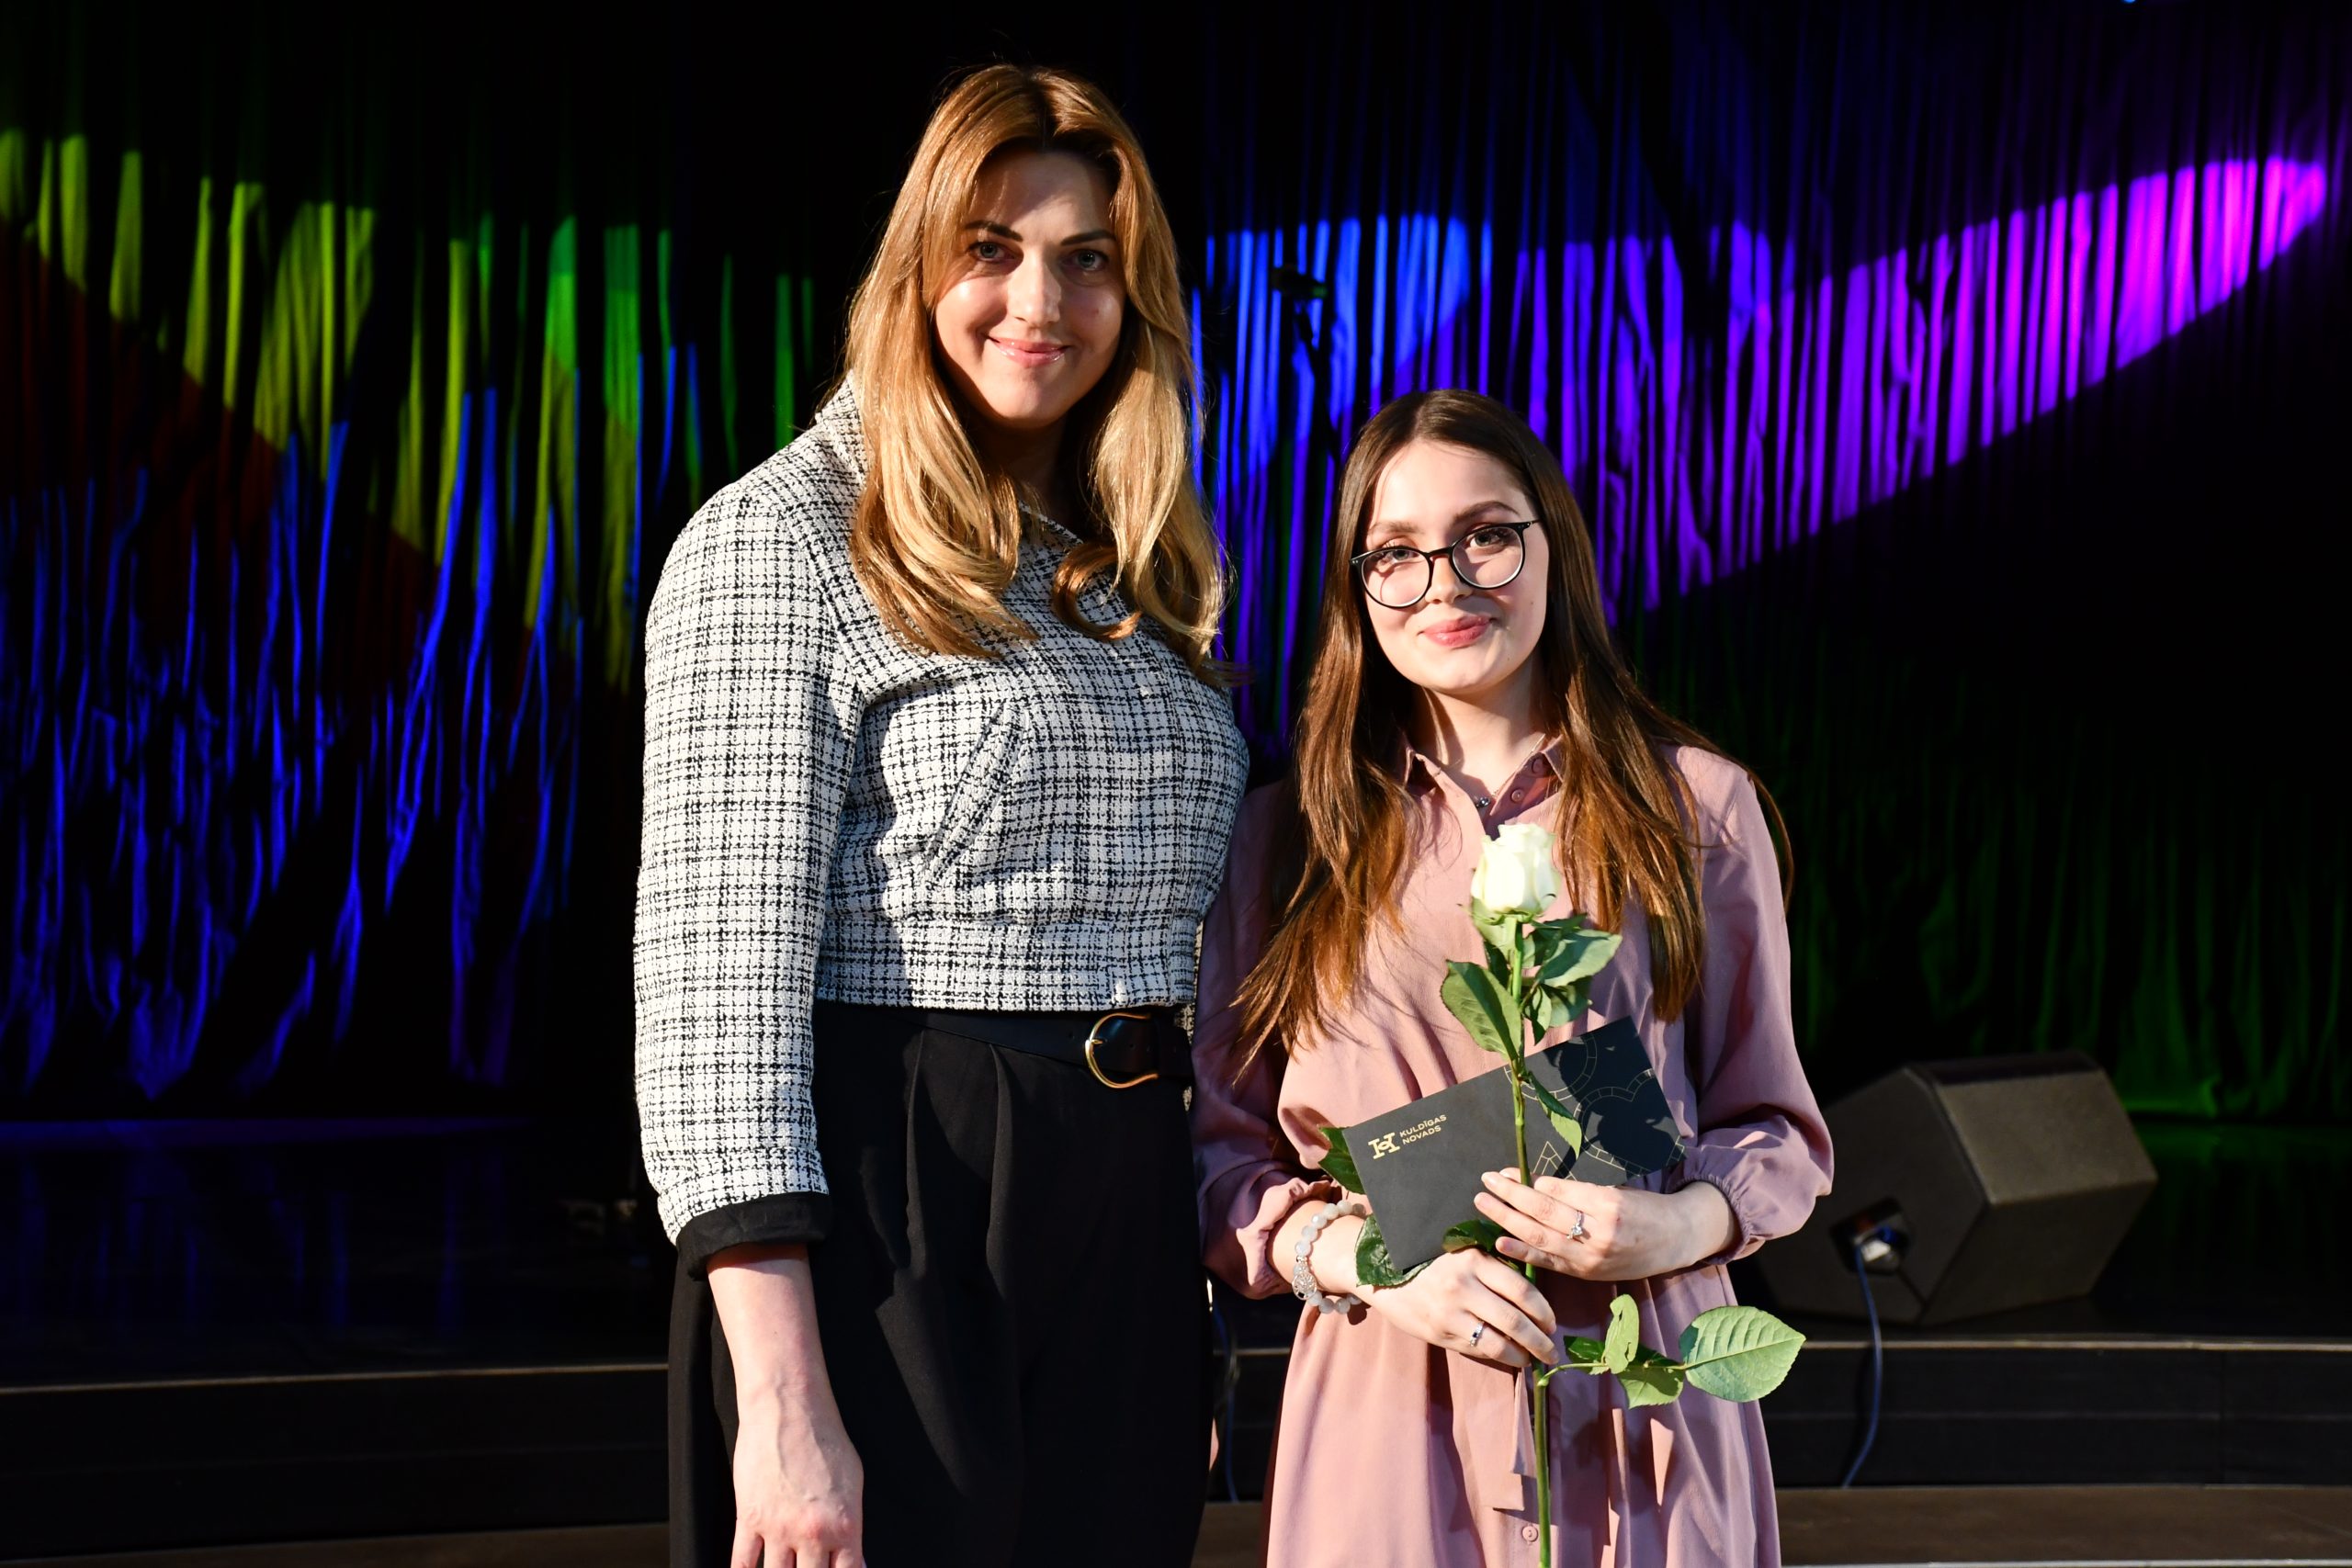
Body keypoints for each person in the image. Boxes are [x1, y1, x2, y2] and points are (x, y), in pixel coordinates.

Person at [635, 65, 1246, 1568]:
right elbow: (713, 1003)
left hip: (1121, 1203)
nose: (1041, 300)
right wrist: (783, 1402)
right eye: (992, 249)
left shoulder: (1122, 571)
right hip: (895, 1206)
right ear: (916, 268)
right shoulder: (781, 537)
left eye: (1087, 258)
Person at [1193, 389, 1834, 1566]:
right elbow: (1222, 1166)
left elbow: (1774, 1129)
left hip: (1642, 1394)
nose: (1444, 583)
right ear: (1355, 588)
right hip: (1391, 1402)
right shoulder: (1286, 841)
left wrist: (1677, 1223)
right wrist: (1373, 1264)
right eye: (1396, 553)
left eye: (1485, 535)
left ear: (1555, 544)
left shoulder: (1695, 809)